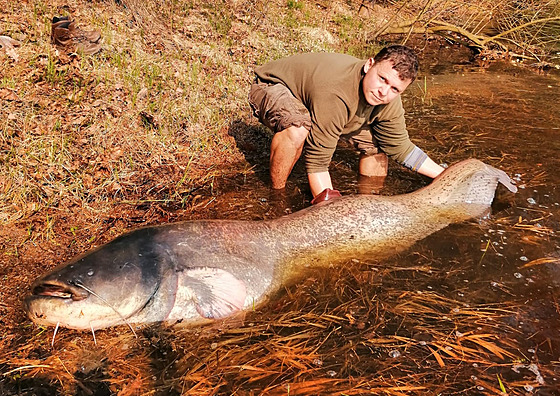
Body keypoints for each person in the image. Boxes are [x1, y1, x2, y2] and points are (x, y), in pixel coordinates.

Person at [248, 45, 445, 204]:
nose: (384, 92)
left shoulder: (388, 100)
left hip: (322, 102)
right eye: (382, 79)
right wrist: (332, 208)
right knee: (298, 129)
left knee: (377, 146)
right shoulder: (336, 92)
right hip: (274, 86)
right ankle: (276, 197)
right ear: (369, 65)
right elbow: (318, 160)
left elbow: (401, 147)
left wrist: (444, 176)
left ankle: (369, 201)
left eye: (394, 88)